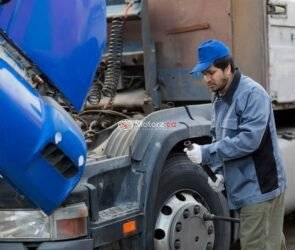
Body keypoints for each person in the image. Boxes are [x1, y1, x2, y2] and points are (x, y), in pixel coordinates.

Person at [184, 39, 287, 250]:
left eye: (210, 73)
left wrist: (206, 153)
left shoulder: (252, 94)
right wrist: (219, 171)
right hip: (244, 187)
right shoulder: (219, 97)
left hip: (261, 188)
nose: (207, 79)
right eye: (203, 74)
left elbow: (249, 140)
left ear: (227, 68)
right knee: (271, 242)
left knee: (259, 244)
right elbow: (219, 136)